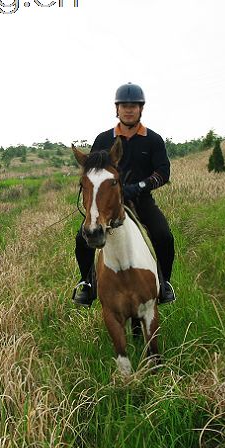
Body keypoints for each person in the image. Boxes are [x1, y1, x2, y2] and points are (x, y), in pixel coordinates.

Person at [72, 82, 176, 306]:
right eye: (124, 106)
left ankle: (164, 283)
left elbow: (163, 172)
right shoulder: (103, 139)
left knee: (163, 236)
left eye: (134, 106)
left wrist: (138, 187)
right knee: (82, 238)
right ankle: (87, 284)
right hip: (107, 201)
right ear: (117, 109)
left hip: (140, 200)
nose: (129, 110)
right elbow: (93, 170)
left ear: (141, 109)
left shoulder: (153, 139)